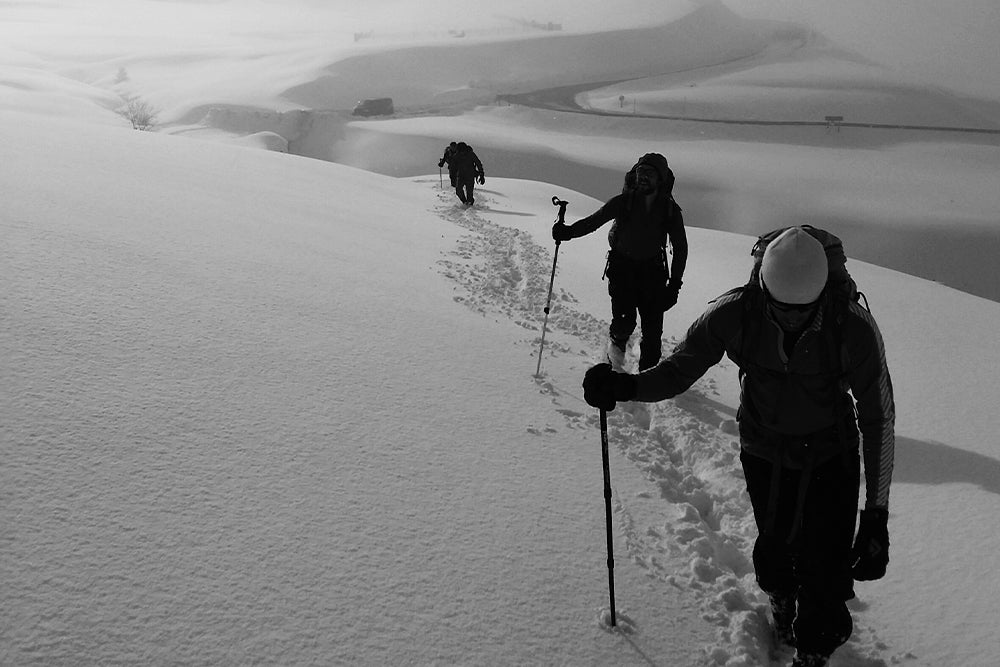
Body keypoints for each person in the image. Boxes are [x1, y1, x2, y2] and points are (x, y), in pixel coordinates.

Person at [582, 227, 895, 667]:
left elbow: (879, 414)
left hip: (831, 454)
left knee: (826, 568)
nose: (790, 318)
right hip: (765, 451)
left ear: (823, 292)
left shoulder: (853, 326)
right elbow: (679, 369)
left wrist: (876, 515)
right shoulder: (735, 312)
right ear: (763, 286)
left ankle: (814, 650)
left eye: (802, 310)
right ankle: (782, 601)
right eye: (781, 308)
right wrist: (624, 386)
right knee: (775, 546)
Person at [552, 153, 687, 371]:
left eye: (649, 174)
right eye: (641, 173)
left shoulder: (670, 210)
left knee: (653, 336)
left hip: (652, 274)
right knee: (623, 325)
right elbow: (593, 222)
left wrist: (674, 285)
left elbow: (681, 248)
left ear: (660, 179)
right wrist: (567, 233)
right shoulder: (623, 202)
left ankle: (646, 382)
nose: (643, 178)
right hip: (623, 270)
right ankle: (615, 368)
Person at [449, 142, 485, 206]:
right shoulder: (457, 156)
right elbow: (453, 168)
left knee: (469, 192)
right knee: (459, 190)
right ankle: (465, 202)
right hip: (461, 176)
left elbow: (478, 163)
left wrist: (481, 174)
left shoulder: (470, 154)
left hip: (469, 175)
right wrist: (452, 177)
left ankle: (469, 202)